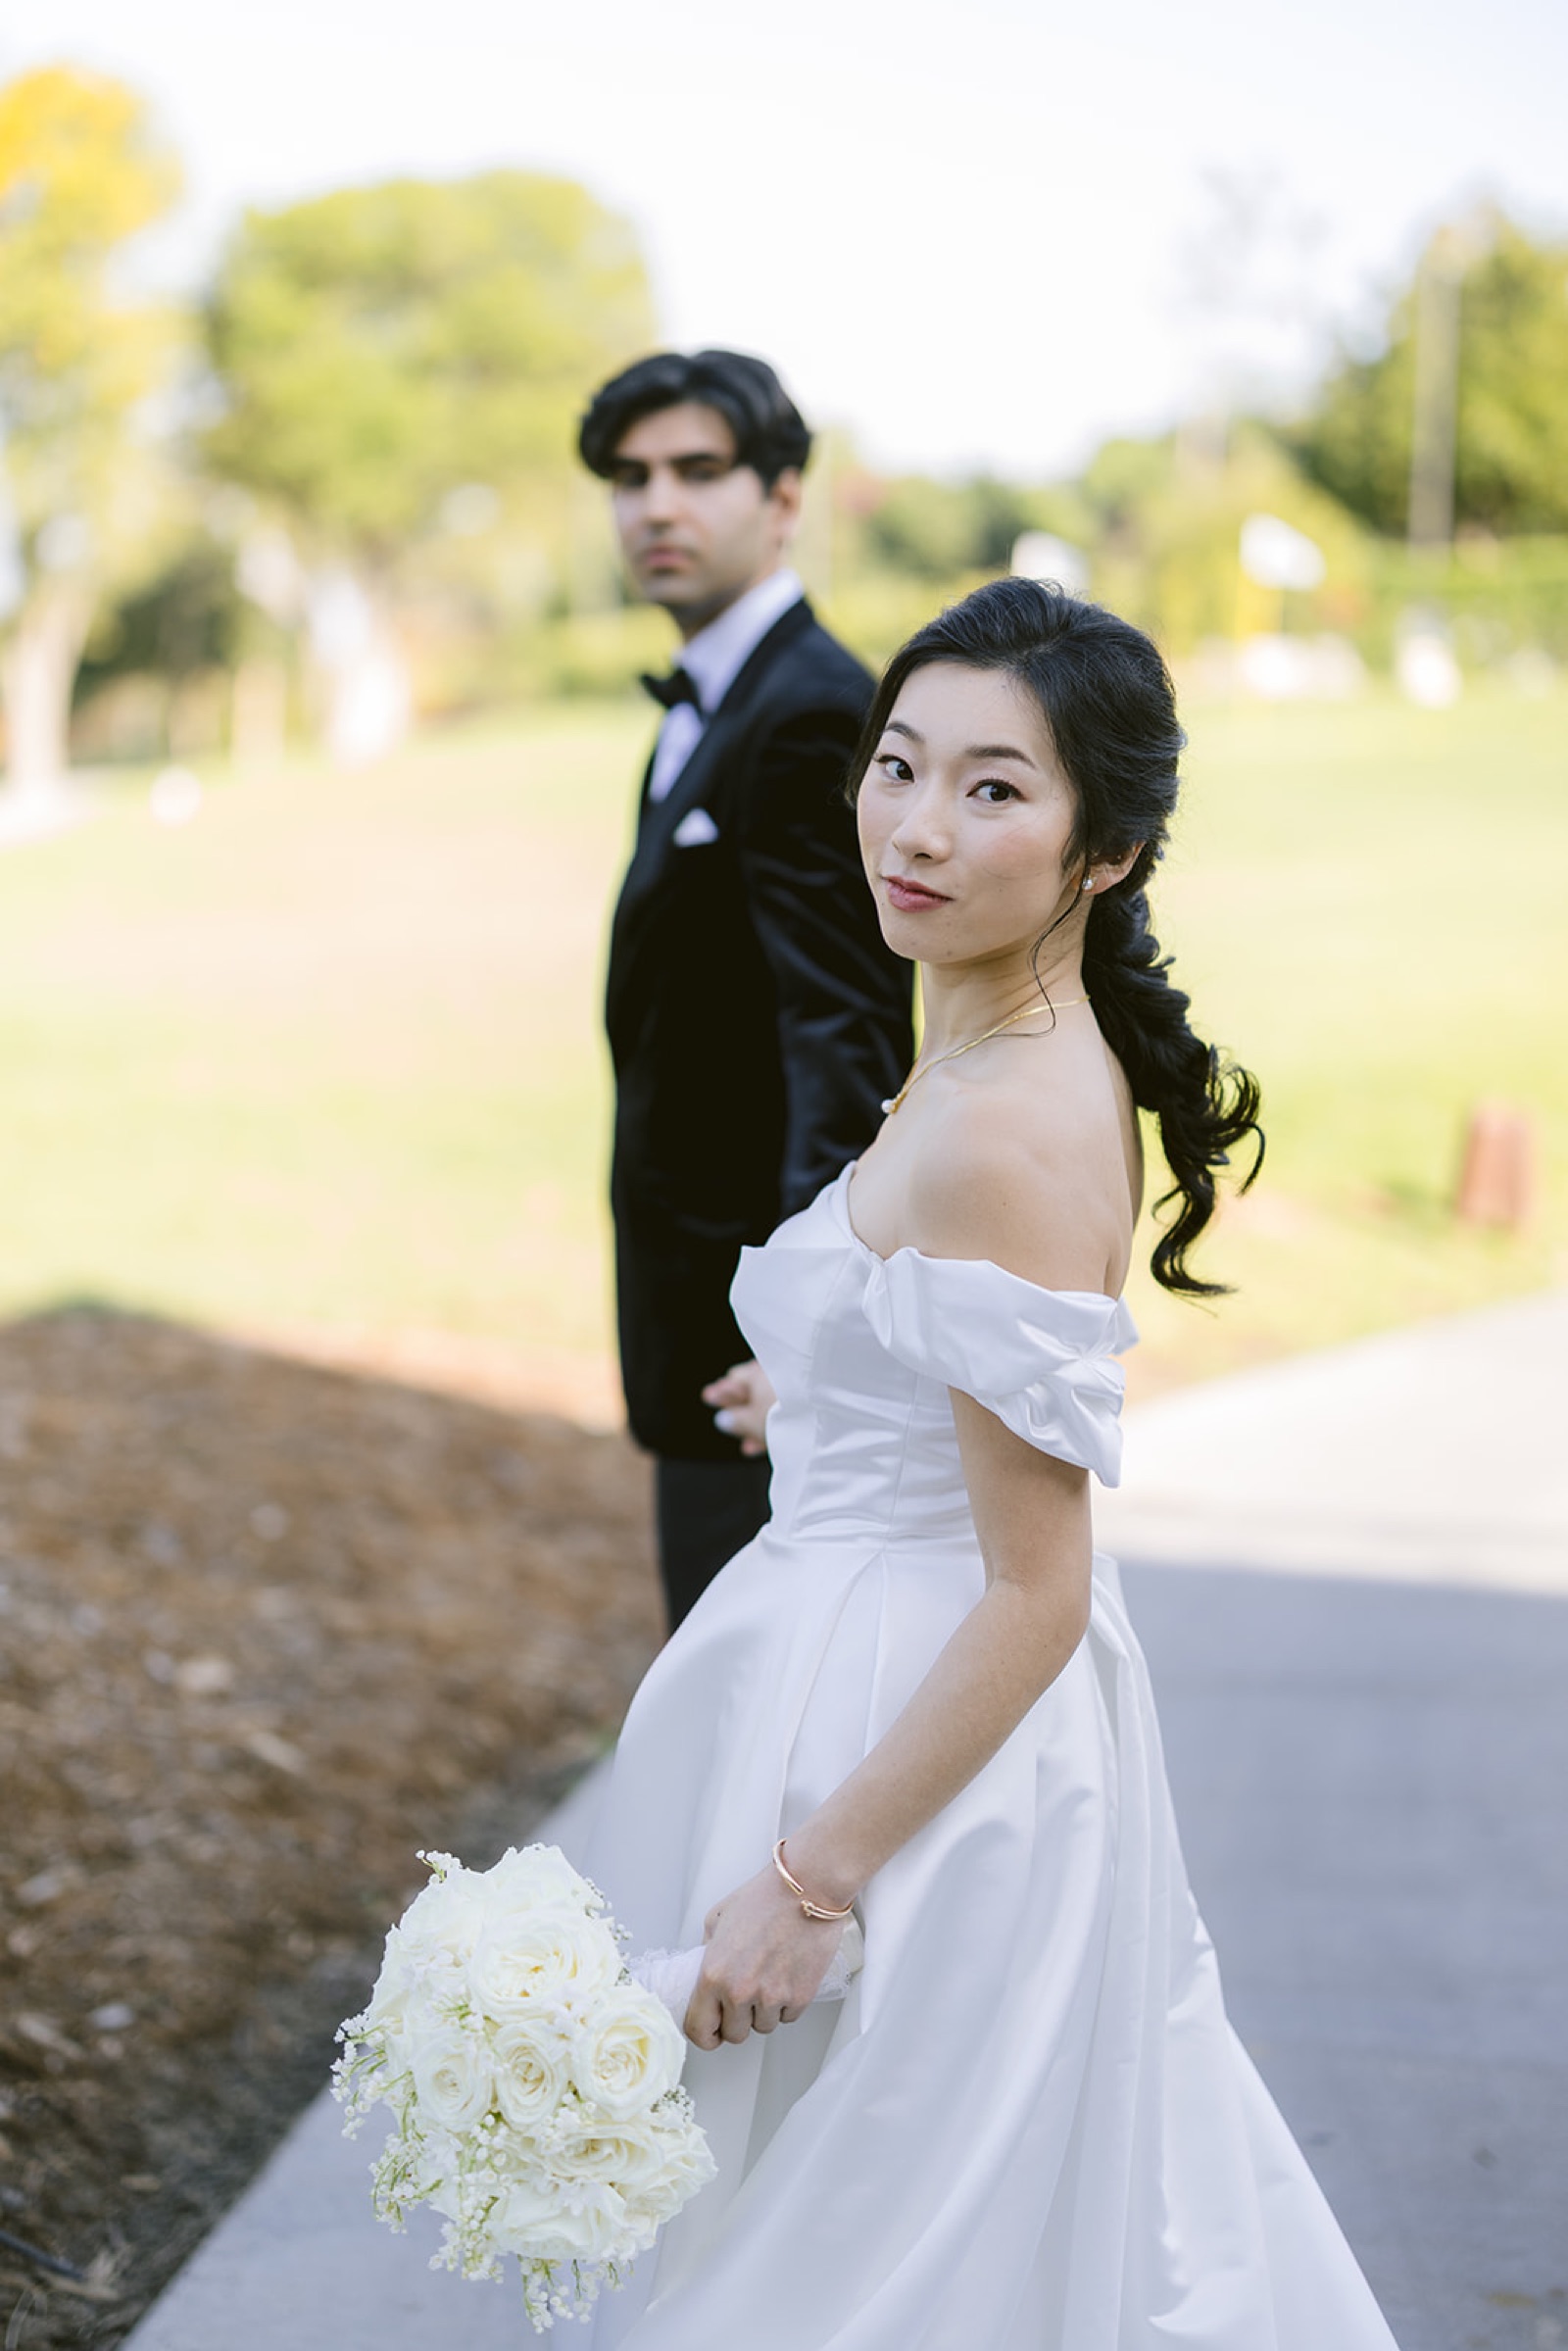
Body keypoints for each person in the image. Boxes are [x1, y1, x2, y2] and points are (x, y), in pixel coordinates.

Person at [572, 578, 1400, 2348]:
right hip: (881, 1663)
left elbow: (1039, 1583)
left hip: (918, 1756)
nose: (918, 829)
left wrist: (811, 1884)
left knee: (869, 2264)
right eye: (897, 765)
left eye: (996, 789)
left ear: (1106, 851)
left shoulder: (1002, 1129)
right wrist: (823, 1394)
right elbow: (949, 1382)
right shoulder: (977, 1055)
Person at [578, 349, 912, 1630]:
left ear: (783, 501)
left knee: (753, 1772)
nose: (656, 505)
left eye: (697, 472)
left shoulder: (812, 711)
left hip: (756, 1359)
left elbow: (847, 1037)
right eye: (631, 477)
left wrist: (805, 1342)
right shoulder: (715, 702)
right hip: (700, 1323)